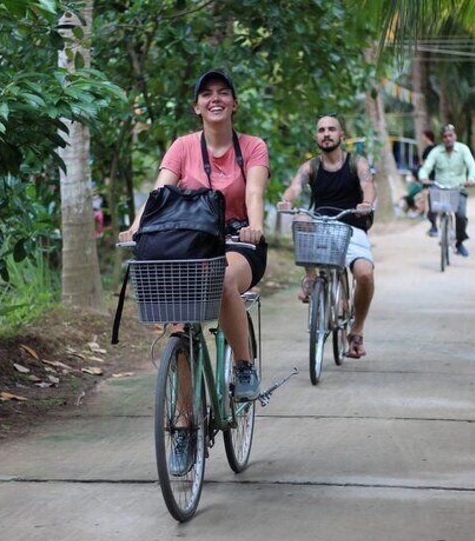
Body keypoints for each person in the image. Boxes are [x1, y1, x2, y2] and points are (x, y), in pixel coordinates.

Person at [119, 69, 269, 403]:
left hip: (238, 244)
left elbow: (254, 194)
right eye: (207, 94)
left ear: (234, 103)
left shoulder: (252, 147)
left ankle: (244, 366)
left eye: (223, 92)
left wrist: (254, 225)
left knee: (225, 279)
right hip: (191, 246)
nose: (215, 99)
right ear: (197, 107)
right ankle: (186, 424)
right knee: (178, 325)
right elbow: (159, 195)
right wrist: (136, 225)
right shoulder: (182, 147)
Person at [278, 114, 375, 359]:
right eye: (321, 130)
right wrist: (287, 200)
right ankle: (310, 278)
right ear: (316, 136)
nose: (326, 134)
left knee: (364, 274)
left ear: (341, 135)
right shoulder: (311, 167)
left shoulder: (357, 163)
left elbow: (368, 184)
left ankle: (357, 331)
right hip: (322, 226)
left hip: (352, 227)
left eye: (332, 129)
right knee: (301, 219)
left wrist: (366, 203)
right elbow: (295, 186)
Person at [418, 123, 475, 256]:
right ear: (442, 138)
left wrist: (472, 178)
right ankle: (433, 226)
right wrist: (423, 177)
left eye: (450, 135)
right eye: (445, 136)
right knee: (431, 200)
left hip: (459, 188)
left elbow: (472, 165)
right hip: (440, 188)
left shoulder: (463, 149)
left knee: (461, 216)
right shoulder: (436, 151)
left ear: (455, 136)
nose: (448, 138)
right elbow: (426, 167)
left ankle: (459, 242)